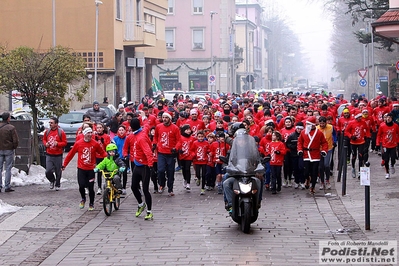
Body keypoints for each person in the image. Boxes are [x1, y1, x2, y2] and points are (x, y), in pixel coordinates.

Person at [62, 127, 107, 210]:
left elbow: (102, 152)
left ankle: (91, 203)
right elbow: (70, 154)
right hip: (81, 168)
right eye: (88, 133)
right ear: (84, 134)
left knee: (91, 187)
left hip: (91, 169)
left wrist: (109, 160)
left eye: (91, 133)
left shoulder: (95, 144)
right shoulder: (78, 143)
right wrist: (64, 165)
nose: (90, 135)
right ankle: (83, 198)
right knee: (81, 186)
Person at [123, 118, 154, 220]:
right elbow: (125, 147)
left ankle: (149, 211)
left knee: (145, 189)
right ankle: (141, 204)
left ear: (131, 127)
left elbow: (148, 152)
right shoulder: (132, 136)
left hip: (145, 166)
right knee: (133, 187)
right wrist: (125, 155)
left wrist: (150, 165)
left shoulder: (141, 137)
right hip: (137, 164)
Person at [297, 116, 328, 194]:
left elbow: (324, 142)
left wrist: (324, 150)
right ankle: (307, 179)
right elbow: (300, 142)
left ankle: (313, 186)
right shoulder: (303, 132)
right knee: (306, 171)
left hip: (315, 154)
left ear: (313, 125)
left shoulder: (319, 133)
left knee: (314, 171)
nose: (307, 125)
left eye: (308, 124)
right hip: (306, 154)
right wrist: (300, 150)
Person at [153, 112, 181, 196]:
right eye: (163, 117)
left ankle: (170, 189)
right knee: (160, 170)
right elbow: (155, 137)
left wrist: (175, 148)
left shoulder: (175, 128)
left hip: (171, 153)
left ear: (170, 118)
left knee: (170, 172)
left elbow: (179, 140)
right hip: (161, 152)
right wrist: (154, 144)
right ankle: (161, 184)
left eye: (166, 117)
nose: (164, 119)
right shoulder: (158, 127)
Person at [42, 117, 67, 191]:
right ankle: (52, 180)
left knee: (58, 171)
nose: (50, 124)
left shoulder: (61, 132)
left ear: (56, 124)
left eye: (52, 123)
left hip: (58, 154)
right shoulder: (47, 131)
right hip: (49, 154)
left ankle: (57, 184)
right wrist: (45, 144)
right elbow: (44, 139)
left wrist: (58, 144)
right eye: (49, 123)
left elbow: (65, 142)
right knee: (48, 171)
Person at [0, 112, 19, 192]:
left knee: (0, 168)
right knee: (8, 168)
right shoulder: (11, 128)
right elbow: (15, 140)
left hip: (0, 149)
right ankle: (7, 186)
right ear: (8, 118)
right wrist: (14, 147)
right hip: (9, 149)